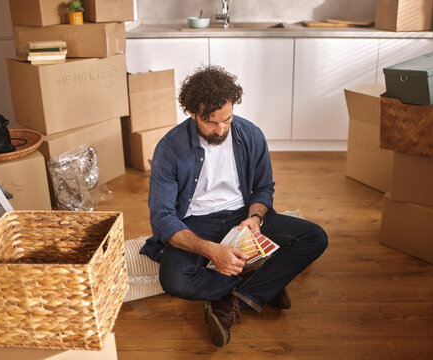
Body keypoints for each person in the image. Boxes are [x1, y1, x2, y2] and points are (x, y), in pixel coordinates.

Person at [140, 65, 328, 347]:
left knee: (315, 238)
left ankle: (231, 299)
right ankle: (261, 286)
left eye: (227, 119)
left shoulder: (251, 135)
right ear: (192, 114)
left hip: (242, 217)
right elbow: (163, 217)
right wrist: (212, 251)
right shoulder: (170, 148)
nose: (221, 129)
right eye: (211, 122)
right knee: (175, 281)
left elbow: (264, 188)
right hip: (194, 223)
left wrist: (255, 217)